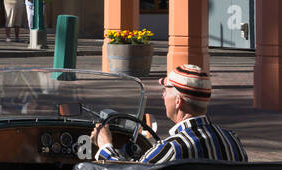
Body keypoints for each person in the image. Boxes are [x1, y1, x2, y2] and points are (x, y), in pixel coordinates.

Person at [92, 64, 248, 164]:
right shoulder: (232, 140)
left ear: (178, 101)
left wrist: (105, 145)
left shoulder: (172, 148)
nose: (163, 96)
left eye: (165, 91)